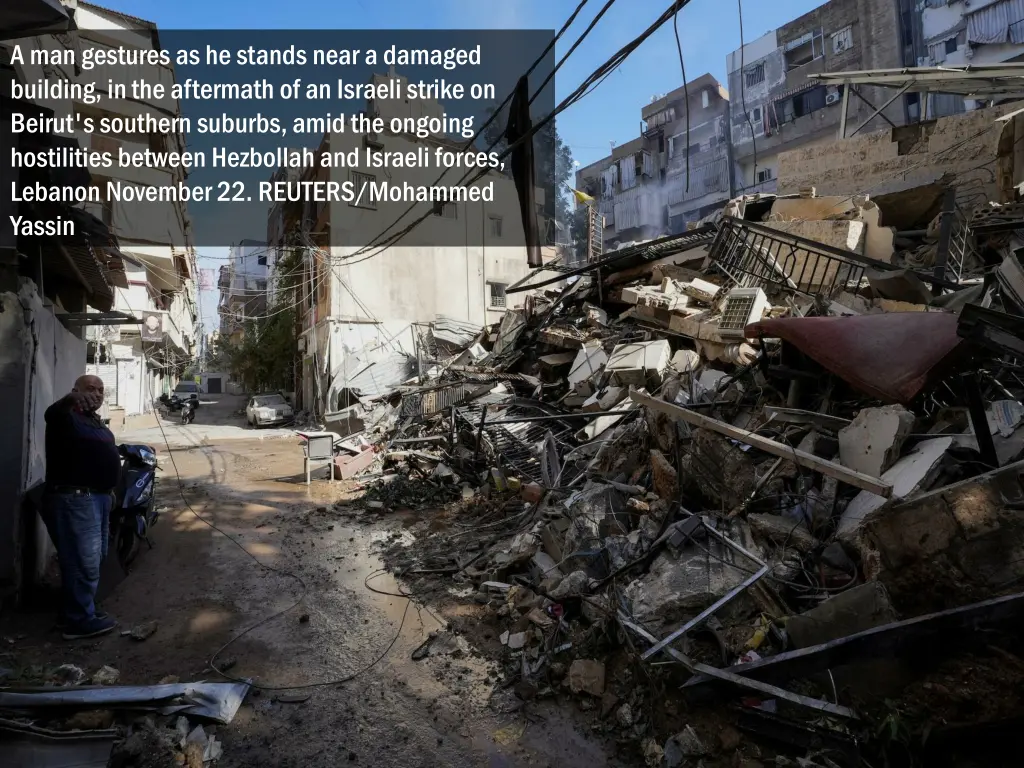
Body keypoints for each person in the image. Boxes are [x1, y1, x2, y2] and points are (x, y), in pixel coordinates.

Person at [42, 375, 120, 640]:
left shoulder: (94, 420)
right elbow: (51, 413)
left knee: (94, 559)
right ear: (75, 391)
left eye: (101, 390)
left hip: (97, 498)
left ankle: (80, 609)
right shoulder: (65, 416)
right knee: (81, 561)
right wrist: (71, 400)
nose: (97, 394)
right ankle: (78, 621)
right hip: (75, 499)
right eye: (90, 389)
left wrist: (109, 490)